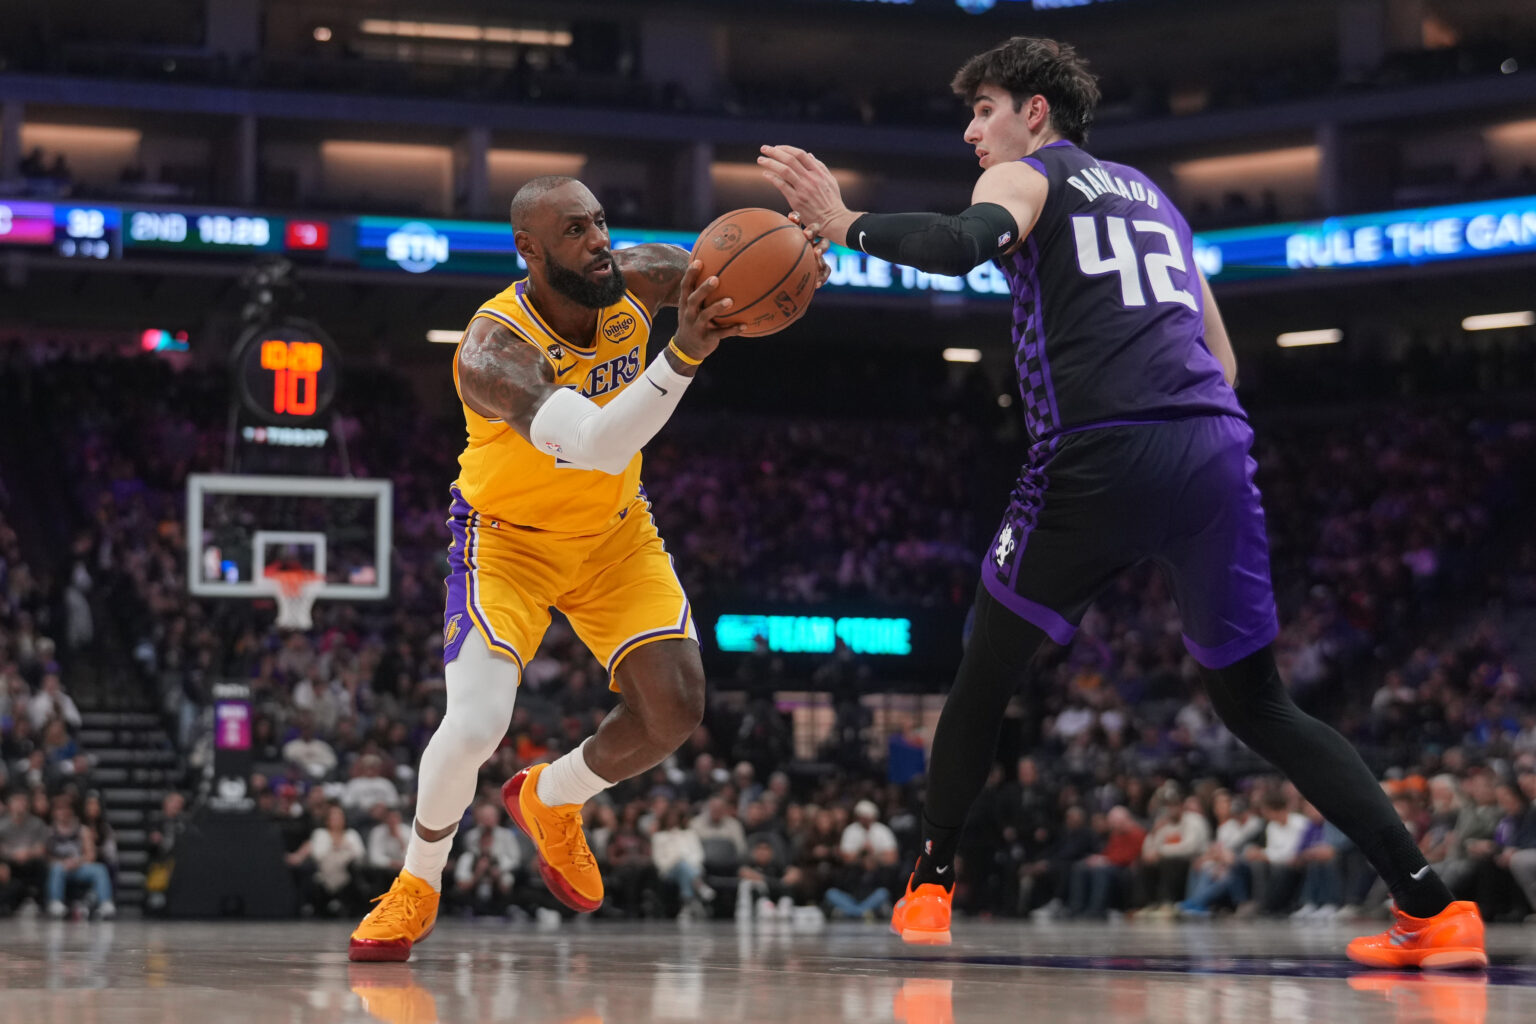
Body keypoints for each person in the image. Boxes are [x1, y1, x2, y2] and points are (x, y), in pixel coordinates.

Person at [760, 34, 1485, 967]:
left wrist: (843, 218)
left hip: (1097, 452)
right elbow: (1220, 357)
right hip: (1215, 448)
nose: (970, 130)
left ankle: (931, 887)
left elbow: (955, 247)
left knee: (985, 671)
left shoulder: (1029, 177)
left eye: (984, 109)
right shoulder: (1159, 202)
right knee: (1259, 705)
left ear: (1035, 112)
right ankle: (1432, 909)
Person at [349, 178, 828, 959]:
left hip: (613, 535)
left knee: (676, 708)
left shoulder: (641, 275)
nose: (598, 241)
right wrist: (686, 354)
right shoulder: (492, 352)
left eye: (600, 222)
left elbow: (739, 288)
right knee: (476, 725)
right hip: (507, 541)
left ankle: (550, 798)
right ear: (530, 250)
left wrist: (799, 268)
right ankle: (417, 883)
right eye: (574, 232)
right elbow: (601, 441)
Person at [46, 798, 114, 920]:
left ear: (72, 811)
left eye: (66, 809)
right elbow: (44, 856)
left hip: (79, 867)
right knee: (56, 869)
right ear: (54, 812)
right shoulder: (49, 832)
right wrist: (62, 863)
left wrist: (77, 862)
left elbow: (91, 855)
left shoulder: (82, 830)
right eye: (59, 810)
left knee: (100, 869)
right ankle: (56, 902)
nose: (63, 813)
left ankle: (105, 903)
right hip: (59, 868)